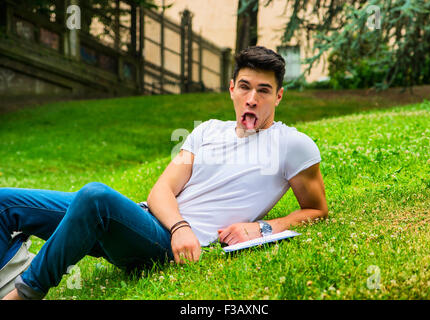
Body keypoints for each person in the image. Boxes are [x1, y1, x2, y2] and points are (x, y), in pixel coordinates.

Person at [1, 46, 328, 300]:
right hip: (150, 223)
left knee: (95, 197)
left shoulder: (292, 144)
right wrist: (179, 225)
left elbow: (316, 209)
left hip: (163, 247)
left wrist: (263, 227)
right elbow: (161, 191)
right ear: (231, 89)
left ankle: (25, 293)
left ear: (279, 96)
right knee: (4, 203)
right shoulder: (208, 130)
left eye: (264, 90)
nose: (252, 99)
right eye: (244, 87)